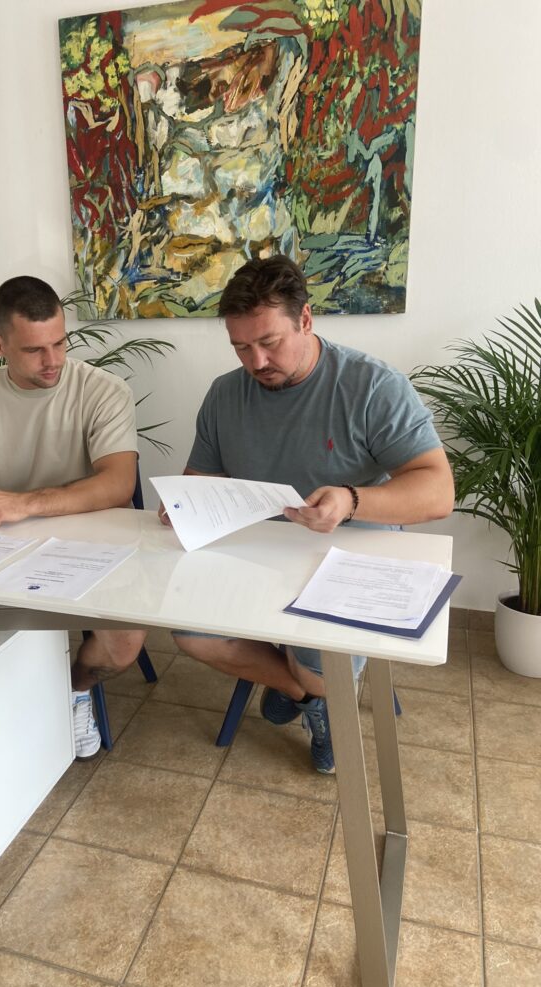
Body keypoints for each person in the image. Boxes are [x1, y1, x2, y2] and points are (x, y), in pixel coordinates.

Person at [160, 255, 454, 773]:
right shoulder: (226, 394)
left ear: (306, 320)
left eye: (269, 342)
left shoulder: (371, 386)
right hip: (259, 553)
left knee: (317, 654)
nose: (255, 362)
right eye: (240, 347)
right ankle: (306, 694)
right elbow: (200, 478)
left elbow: (437, 492)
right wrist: (182, 503)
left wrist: (352, 500)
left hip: (350, 557)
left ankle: (310, 685)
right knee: (191, 634)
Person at [0, 275, 147, 760]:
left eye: (60, 343)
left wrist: (25, 503)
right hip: (8, 544)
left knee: (123, 646)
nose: (53, 360)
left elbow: (118, 484)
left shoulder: (103, 390)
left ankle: (72, 690)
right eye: (34, 350)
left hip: (93, 544)